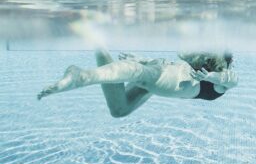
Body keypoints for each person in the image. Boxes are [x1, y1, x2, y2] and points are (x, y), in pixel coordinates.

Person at [37, 50, 238, 118]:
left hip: (167, 73)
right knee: (140, 73)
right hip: (173, 79)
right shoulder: (220, 82)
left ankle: (98, 43)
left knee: (119, 110)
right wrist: (212, 77)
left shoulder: (219, 80)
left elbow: (227, 81)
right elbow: (229, 81)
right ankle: (80, 76)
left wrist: (211, 76)